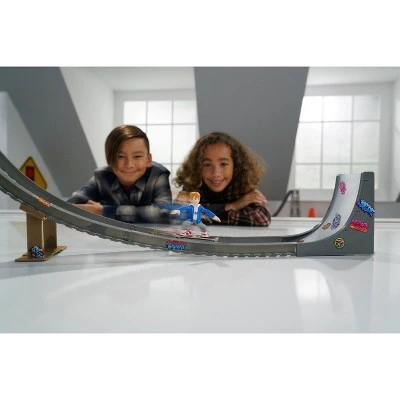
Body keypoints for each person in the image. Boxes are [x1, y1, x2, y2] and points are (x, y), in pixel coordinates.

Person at [67, 125, 172, 223]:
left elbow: (164, 212)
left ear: (148, 160)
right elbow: (70, 206)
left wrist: (104, 211)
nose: (129, 165)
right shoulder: (102, 176)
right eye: (120, 157)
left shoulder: (158, 175)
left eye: (137, 156)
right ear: (110, 159)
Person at [173, 131, 271, 226]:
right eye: (207, 165)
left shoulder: (243, 185)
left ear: (236, 166)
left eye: (223, 164)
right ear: (197, 167)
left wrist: (205, 213)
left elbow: (261, 218)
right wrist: (231, 206)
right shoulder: (193, 184)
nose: (216, 173)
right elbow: (177, 213)